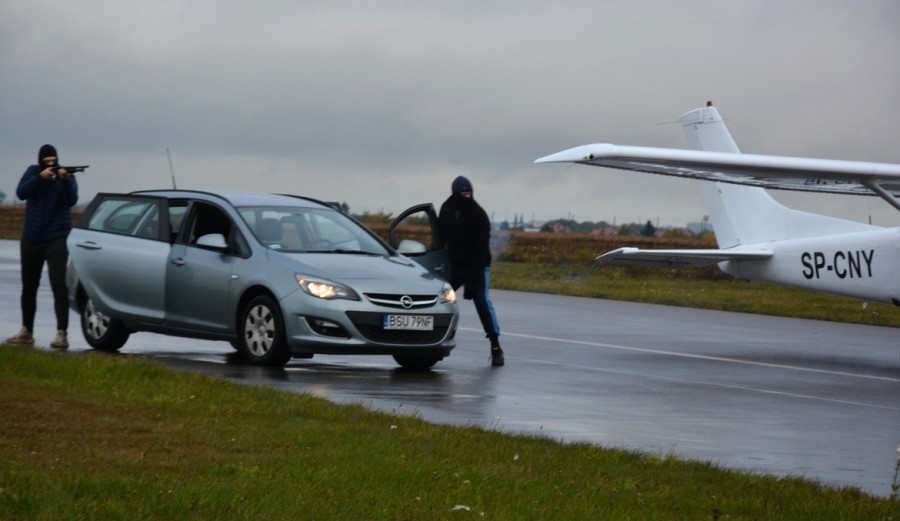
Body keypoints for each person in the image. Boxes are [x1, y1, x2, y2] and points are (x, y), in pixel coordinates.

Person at [5, 144, 79, 349]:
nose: (51, 164)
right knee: (29, 286)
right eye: (47, 162)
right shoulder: (32, 172)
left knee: (58, 284)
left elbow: (71, 199)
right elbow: (21, 193)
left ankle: (61, 333)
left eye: (54, 161)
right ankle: (26, 331)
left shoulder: (68, 176)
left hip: (57, 238)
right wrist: (40, 178)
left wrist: (64, 180)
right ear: (41, 162)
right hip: (31, 238)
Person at [438, 175, 504, 366]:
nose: (467, 197)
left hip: (478, 264)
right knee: (439, 298)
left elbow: (481, 251)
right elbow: (440, 238)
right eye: (463, 194)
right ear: (455, 194)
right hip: (455, 264)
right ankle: (430, 339)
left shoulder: (478, 215)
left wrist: (472, 282)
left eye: (470, 193)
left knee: (482, 301)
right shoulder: (446, 209)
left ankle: (496, 346)